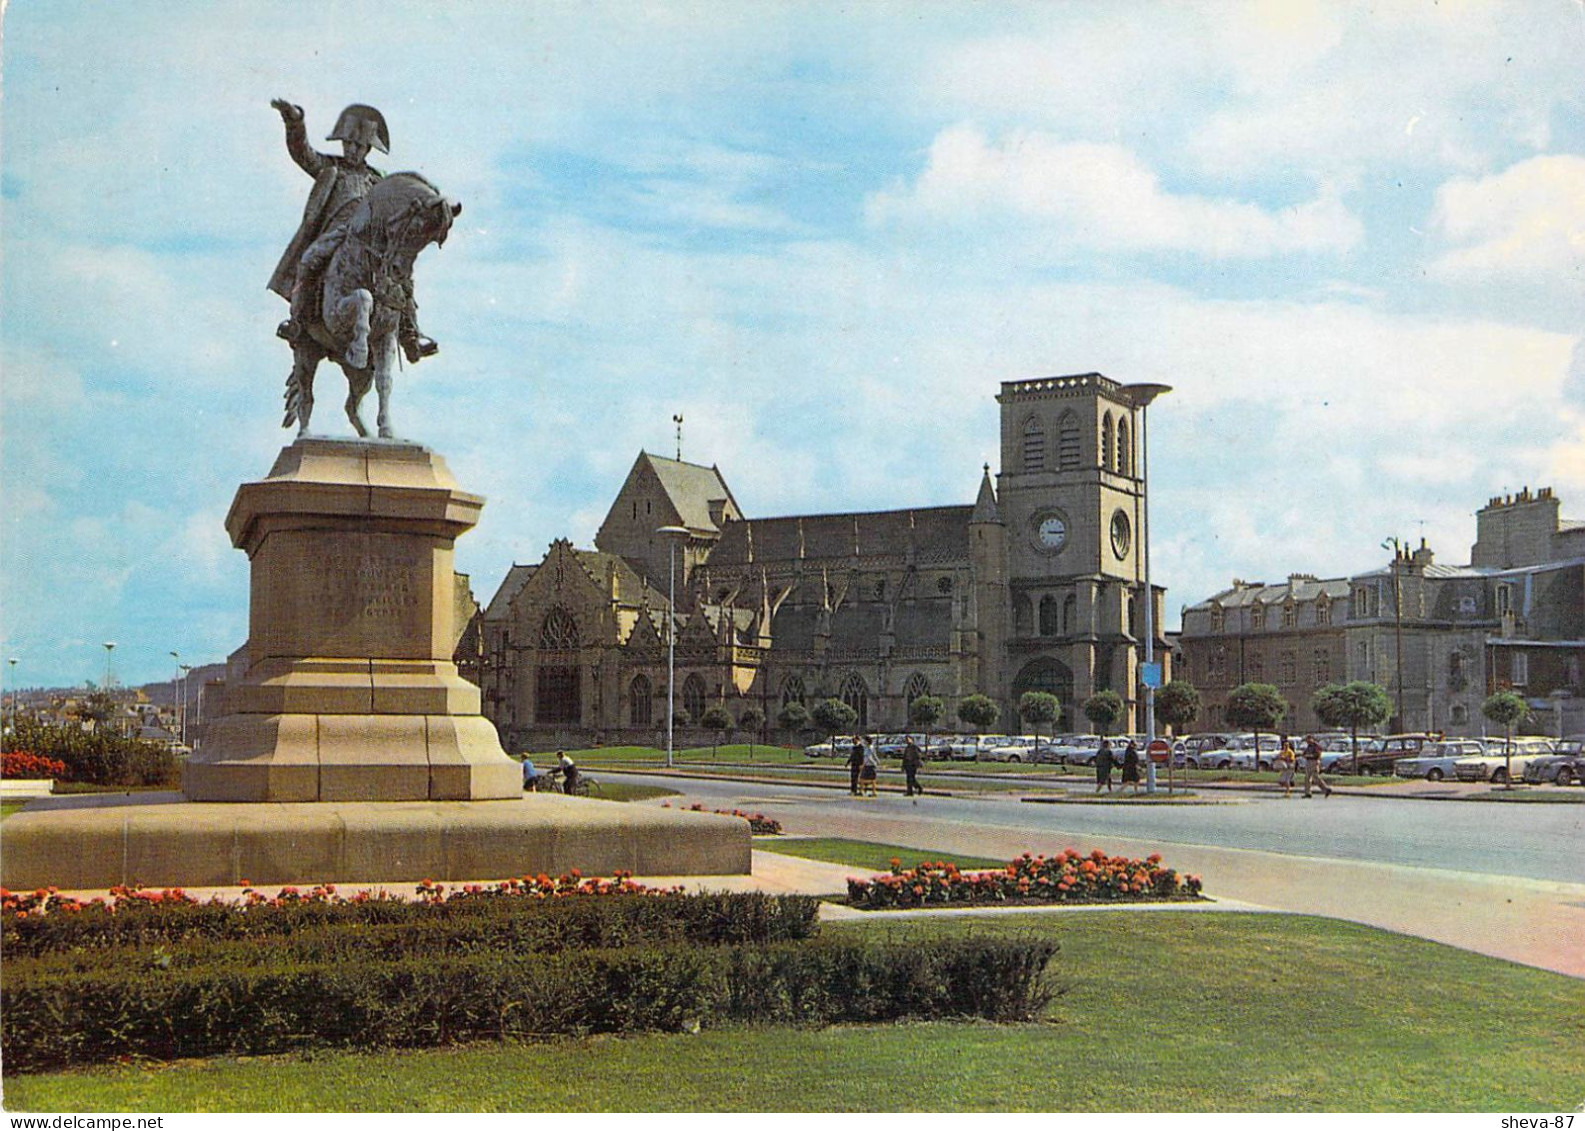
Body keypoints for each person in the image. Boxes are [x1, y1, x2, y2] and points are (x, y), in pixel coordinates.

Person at [268, 98, 435, 363]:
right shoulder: (330, 167)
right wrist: (295, 121)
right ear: (343, 143)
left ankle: (411, 336)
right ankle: (297, 321)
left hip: (372, 243)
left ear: (368, 148)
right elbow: (302, 152)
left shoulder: (378, 180)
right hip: (337, 235)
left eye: (360, 146)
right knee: (309, 259)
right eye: (350, 144)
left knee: (402, 279)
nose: (354, 150)